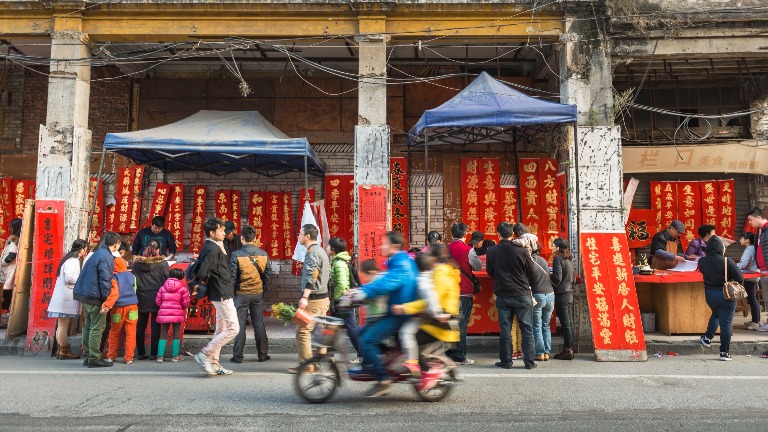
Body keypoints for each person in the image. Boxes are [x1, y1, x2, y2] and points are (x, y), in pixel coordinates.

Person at [357, 231, 419, 397]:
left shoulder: (402, 264)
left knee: (367, 340)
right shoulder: (398, 262)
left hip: (400, 313)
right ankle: (381, 361)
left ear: (395, 246)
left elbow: (386, 284)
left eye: (384, 243)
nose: (381, 246)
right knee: (362, 333)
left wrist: (363, 292)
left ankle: (383, 380)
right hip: (394, 310)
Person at [392, 244, 459, 387]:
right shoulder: (438, 272)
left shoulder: (439, 274)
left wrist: (404, 308)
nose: (426, 257)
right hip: (435, 319)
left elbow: (431, 300)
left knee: (405, 336)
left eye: (428, 255)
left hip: (439, 323)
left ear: (433, 258)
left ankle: (427, 371)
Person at [486, 222, 538, 370]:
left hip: (503, 294)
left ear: (498, 234)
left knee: (505, 329)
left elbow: (490, 272)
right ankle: (529, 362)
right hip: (522, 293)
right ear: (512, 234)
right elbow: (532, 272)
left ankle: (506, 362)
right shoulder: (522, 251)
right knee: (527, 328)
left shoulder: (492, 251)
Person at [193, 217, 239, 376]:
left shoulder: (213, 245)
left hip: (221, 290)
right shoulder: (212, 248)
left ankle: (214, 363)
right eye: (221, 230)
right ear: (212, 233)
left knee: (222, 329)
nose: (224, 233)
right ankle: (204, 354)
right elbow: (204, 271)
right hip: (221, 292)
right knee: (233, 328)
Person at [73, 231, 122, 368]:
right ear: (116, 245)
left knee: (88, 327)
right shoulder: (106, 257)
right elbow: (105, 280)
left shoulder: (97, 253)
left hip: (86, 295)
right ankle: (94, 358)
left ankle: (88, 357)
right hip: (95, 297)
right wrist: (106, 301)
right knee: (96, 328)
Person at [288, 224, 330, 374]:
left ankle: (307, 365)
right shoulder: (321, 251)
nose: (298, 236)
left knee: (303, 331)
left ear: (307, 236)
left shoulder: (312, 253)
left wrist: (305, 297)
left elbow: (312, 275)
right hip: (323, 298)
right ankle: (318, 362)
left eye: (300, 234)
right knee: (320, 331)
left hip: (314, 300)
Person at [229, 225, 272, 364]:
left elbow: (232, 277)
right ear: (255, 238)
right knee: (258, 323)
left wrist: (232, 293)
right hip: (257, 293)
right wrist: (262, 287)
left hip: (241, 294)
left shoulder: (236, 255)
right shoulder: (263, 254)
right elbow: (268, 274)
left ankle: (238, 357)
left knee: (240, 324)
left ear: (242, 238)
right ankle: (262, 355)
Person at [697, 235, 743, 361]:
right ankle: (724, 352)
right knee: (726, 323)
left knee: (716, 314)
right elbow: (740, 279)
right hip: (726, 294)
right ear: (721, 248)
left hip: (710, 294)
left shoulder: (702, 261)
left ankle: (707, 338)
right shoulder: (727, 261)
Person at [445, 222, 482, 365]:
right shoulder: (468, 250)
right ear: (465, 234)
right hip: (463, 291)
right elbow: (477, 266)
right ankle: (459, 355)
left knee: (449, 323)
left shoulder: (445, 249)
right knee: (461, 324)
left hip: (448, 292)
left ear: (452, 234)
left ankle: (449, 354)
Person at [47, 239, 88, 360]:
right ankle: (64, 350)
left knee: (61, 325)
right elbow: (70, 278)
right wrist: (82, 279)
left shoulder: (68, 259)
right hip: (66, 297)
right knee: (63, 325)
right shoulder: (72, 261)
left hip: (63, 296)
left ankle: (61, 349)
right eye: (85, 249)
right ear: (81, 249)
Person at [132, 239, 169, 360]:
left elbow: (133, 280)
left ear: (146, 248)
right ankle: (154, 353)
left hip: (140, 297)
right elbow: (167, 280)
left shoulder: (137, 263)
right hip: (157, 297)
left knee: (140, 325)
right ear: (158, 249)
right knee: (155, 326)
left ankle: (140, 353)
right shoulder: (162, 263)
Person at [326, 237, 361, 363]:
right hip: (343, 300)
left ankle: (362, 354)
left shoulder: (339, 263)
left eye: (328, 246)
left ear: (333, 249)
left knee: (345, 329)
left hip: (342, 301)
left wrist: (335, 298)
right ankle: (330, 354)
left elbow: (341, 284)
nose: (326, 248)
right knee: (337, 327)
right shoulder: (338, 261)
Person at [104, 256, 139, 364]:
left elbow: (114, 294)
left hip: (118, 307)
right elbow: (135, 289)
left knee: (114, 332)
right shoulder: (132, 276)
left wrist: (106, 305)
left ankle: (111, 356)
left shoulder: (114, 278)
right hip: (133, 306)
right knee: (131, 333)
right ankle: (129, 358)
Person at [155, 268, 191, 362]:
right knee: (176, 334)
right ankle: (175, 356)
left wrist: (164, 307)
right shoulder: (183, 289)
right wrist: (180, 307)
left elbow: (158, 301)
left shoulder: (162, 288)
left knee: (163, 334)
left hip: (164, 314)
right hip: (177, 313)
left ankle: (160, 357)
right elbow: (185, 302)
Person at [550, 237, 575, 360]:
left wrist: (551, 287)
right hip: (569, 293)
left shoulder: (558, 259)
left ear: (558, 247)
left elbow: (557, 278)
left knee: (566, 324)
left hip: (562, 294)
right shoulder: (569, 259)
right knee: (569, 322)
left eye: (553, 245)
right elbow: (573, 279)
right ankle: (570, 348)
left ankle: (567, 350)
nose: (551, 247)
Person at [530, 244, 555, 362]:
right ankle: (547, 352)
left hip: (538, 294)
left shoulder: (530, 261)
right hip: (550, 294)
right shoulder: (543, 260)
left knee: (537, 325)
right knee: (546, 325)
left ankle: (540, 353)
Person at [746, 207, 768, 334]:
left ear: (758, 217)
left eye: (751, 219)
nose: (750, 223)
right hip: (763, 270)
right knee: (766, 297)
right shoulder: (760, 231)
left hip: (766, 270)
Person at [738, 233, 760, 330]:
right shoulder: (752, 248)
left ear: (747, 240)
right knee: (752, 298)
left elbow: (743, 264)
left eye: (741, 238)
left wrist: (733, 266)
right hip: (752, 276)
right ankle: (756, 320)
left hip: (751, 276)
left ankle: (756, 322)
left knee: (752, 299)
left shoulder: (749, 249)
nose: (740, 240)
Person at [1, 218, 22, 313]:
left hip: (10, 268)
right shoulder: (14, 239)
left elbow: (12, 255)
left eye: (11, 227)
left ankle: (9, 310)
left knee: (8, 289)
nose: (10, 229)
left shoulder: (14, 240)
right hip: (8, 268)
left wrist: (3, 263)